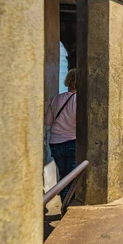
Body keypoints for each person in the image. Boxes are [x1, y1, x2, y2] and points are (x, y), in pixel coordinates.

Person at [45, 69, 77, 204]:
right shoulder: (80, 100)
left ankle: (64, 206)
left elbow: (47, 122)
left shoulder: (56, 99)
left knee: (64, 176)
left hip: (55, 143)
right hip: (72, 142)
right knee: (71, 179)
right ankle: (66, 209)